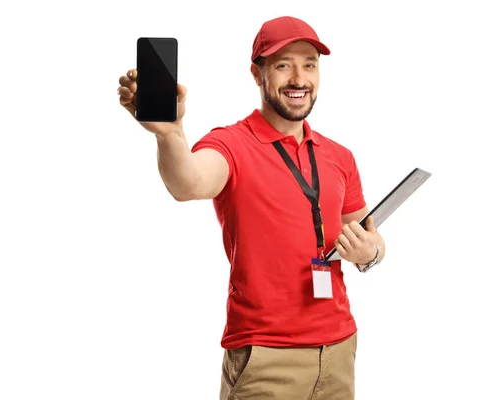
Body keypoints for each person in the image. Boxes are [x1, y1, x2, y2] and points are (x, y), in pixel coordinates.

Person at [117, 15, 386, 400]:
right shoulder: (231, 144)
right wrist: (171, 135)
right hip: (265, 356)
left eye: (309, 64)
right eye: (282, 65)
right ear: (256, 74)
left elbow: (369, 236)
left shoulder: (339, 156)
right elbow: (188, 183)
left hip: (340, 348)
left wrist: (369, 253)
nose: (299, 78)